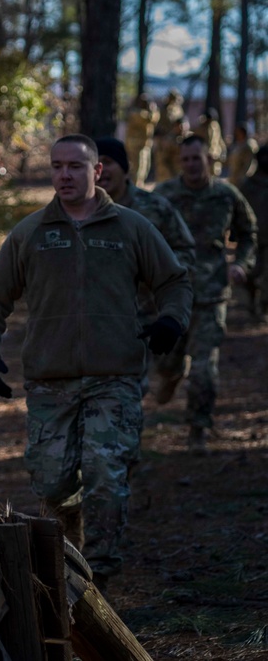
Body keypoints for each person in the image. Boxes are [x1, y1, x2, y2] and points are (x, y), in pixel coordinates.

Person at [0, 135, 192, 587]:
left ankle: (101, 576)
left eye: (75, 166)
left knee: (106, 476)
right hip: (51, 382)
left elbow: (174, 281)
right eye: (56, 167)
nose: (64, 175)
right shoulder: (31, 233)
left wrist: (171, 320)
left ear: (97, 171)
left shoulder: (130, 227)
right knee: (52, 484)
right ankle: (69, 548)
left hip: (116, 376)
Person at [153, 135, 259, 454]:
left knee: (204, 366)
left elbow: (249, 234)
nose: (190, 165)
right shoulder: (164, 195)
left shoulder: (226, 195)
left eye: (196, 158)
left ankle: (198, 427)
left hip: (211, 293)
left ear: (209, 159)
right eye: (185, 159)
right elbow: (143, 237)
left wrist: (241, 264)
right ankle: (171, 375)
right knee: (166, 363)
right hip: (171, 294)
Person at [95, 137, 195, 347]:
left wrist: (155, 272)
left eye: (107, 162)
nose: (101, 170)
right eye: (94, 164)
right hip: (104, 320)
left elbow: (184, 248)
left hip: (157, 313)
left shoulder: (155, 206)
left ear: (124, 168)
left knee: (169, 371)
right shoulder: (81, 212)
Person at [240, 146, 268, 322]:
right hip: (252, 239)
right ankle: (252, 301)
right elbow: (238, 211)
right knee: (251, 273)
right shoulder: (248, 185)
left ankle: (264, 307)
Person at [124, 93, 159, 186]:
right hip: (135, 146)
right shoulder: (136, 113)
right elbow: (149, 119)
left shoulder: (145, 113)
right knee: (137, 170)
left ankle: (140, 185)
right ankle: (135, 187)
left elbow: (155, 119)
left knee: (145, 168)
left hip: (144, 145)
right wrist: (153, 108)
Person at [153, 90, 188, 184]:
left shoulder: (178, 109)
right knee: (164, 171)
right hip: (165, 142)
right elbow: (159, 128)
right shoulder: (164, 110)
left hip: (176, 142)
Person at [194, 109, 227, 176]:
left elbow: (219, 139)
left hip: (215, 155)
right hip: (205, 156)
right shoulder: (200, 128)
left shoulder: (215, 126)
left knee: (215, 174)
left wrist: (223, 150)